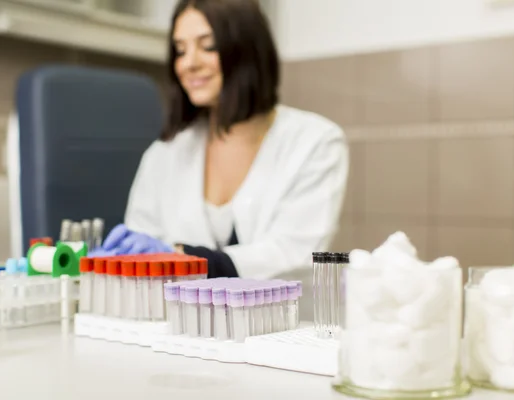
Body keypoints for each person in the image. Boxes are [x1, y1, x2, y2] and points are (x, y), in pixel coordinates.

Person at [91, 0, 349, 280]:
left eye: (208, 46)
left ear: (248, 51)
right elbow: (141, 250)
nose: (189, 63)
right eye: (180, 50)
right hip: (178, 319)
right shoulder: (164, 153)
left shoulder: (315, 142)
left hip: (283, 320)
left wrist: (182, 257)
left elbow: (295, 253)